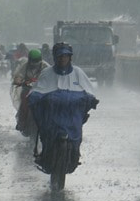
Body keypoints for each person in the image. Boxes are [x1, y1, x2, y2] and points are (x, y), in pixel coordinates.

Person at [29, 43, 99, 171]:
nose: (63, 59)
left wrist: (90, 99)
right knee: (46, 134)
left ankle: (74, 154)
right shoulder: (47, 73)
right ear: (55, 57)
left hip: (72, 116)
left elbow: (89, 91)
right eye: (60, 56)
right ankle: (45, 154)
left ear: (70, 57)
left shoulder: (78, 72)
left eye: (66, 56)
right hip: (52, 117)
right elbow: (37, 91)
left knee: (76, 136)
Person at [12, 49, 48, 133]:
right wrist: (19, 81)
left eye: (36, 61)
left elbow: (51, 77)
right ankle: (22, 121)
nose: (34, 63)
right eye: (33, 60)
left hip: (42, 91)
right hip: (28, 90)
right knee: (24, 104)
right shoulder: (25, 66)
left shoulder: (45, 66)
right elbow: (18, 75)